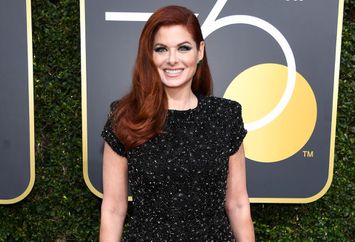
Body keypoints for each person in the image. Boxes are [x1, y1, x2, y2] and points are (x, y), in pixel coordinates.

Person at [99, 5, 255, 242]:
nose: (172, 60)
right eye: (161, 49)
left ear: (200, 51)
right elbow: (113, 209)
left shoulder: (225, 116)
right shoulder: (125, 116)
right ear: (149, 55)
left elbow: (237, 204)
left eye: (183, 48)